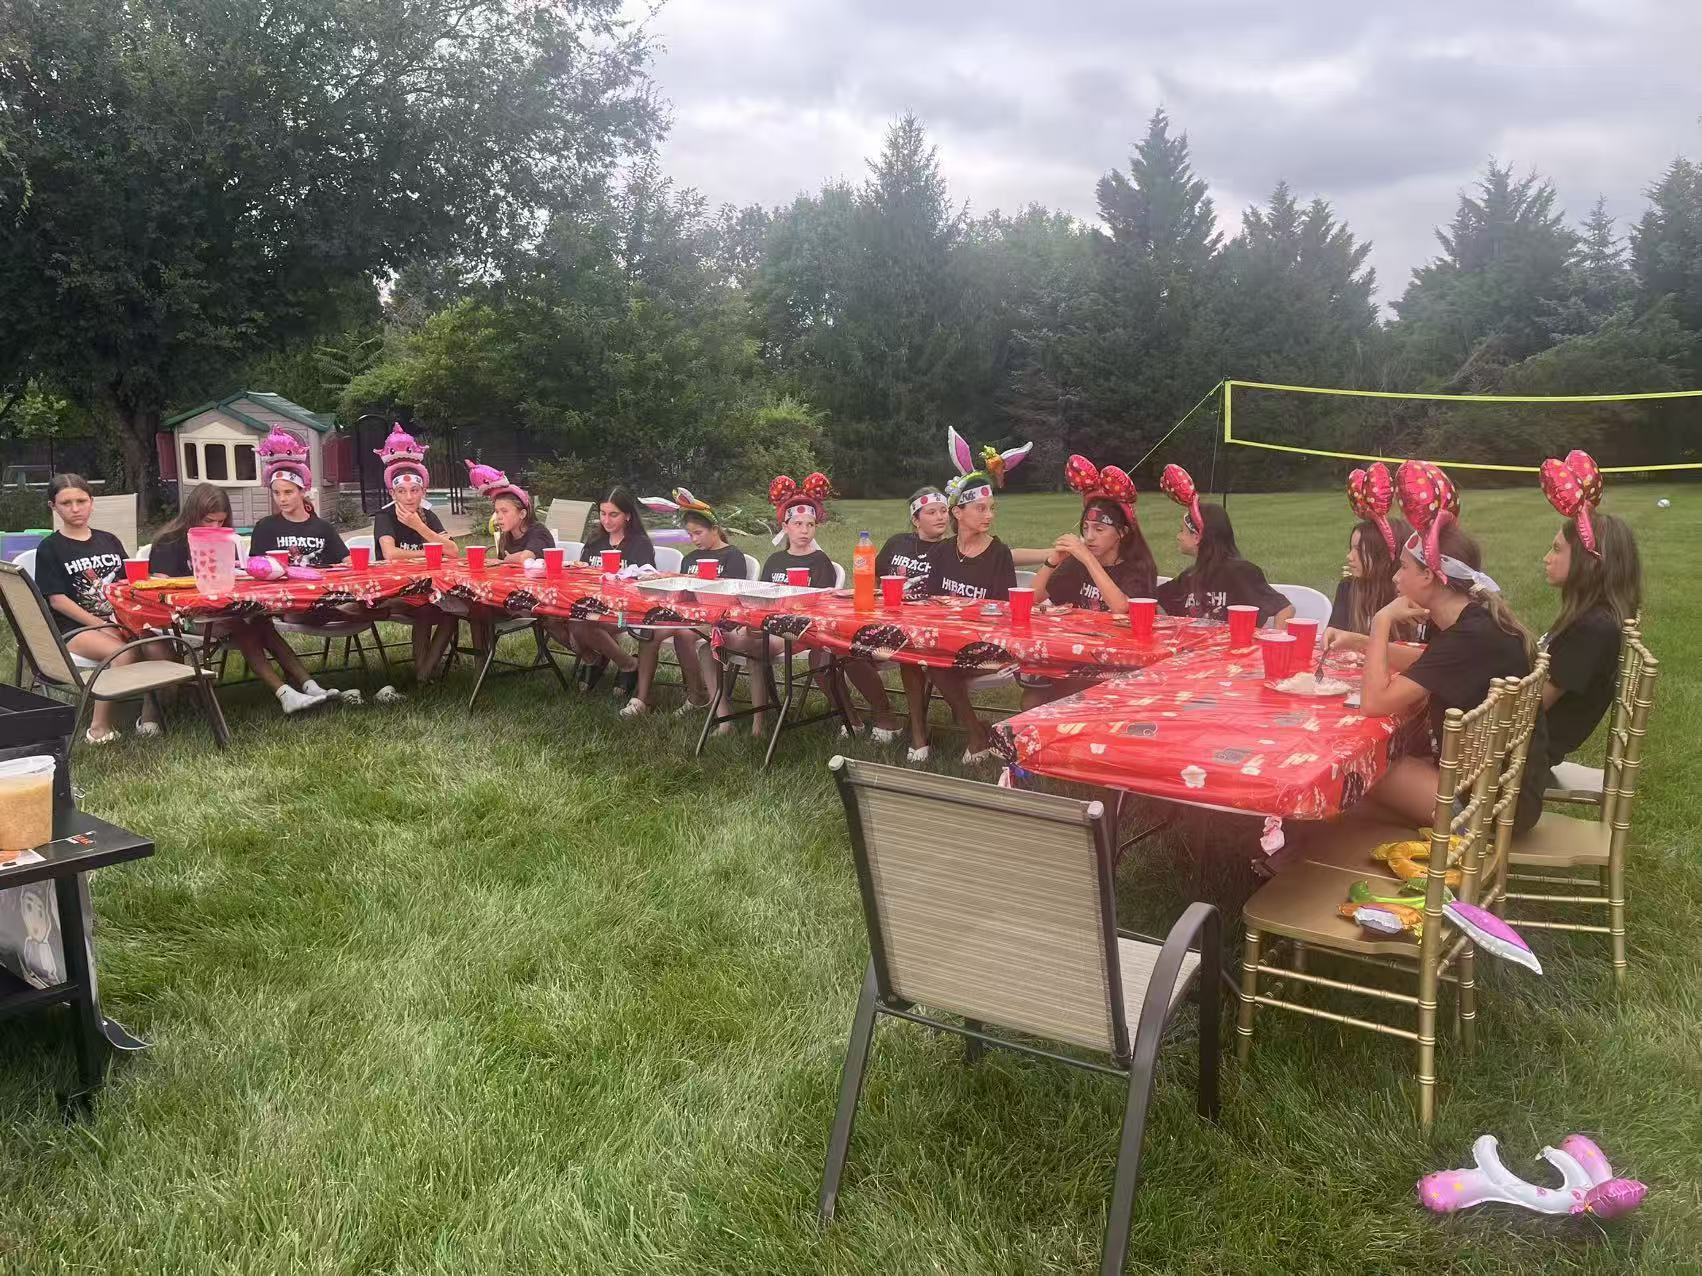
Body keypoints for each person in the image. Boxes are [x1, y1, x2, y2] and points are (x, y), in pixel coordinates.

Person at [1357, 462, 1547, 833]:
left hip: (1488, 805)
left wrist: (1380, 622)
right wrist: (1359, 644)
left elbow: (1373, 703)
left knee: (1365, 770)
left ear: (1429, 575)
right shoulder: (1474, 620)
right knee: (1371, 787)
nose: (1395, 578)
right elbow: (1426, 662)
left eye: (1403, 569)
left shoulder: (1468, 638)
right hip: (1509, 787)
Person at [152, 480, 349, 714]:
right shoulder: (170, 542)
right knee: (242, 625)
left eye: (221, 521)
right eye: (209, 521)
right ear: (193, 515)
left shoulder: (224, 540)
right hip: (186, 616)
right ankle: (284, 693)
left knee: (260, 622)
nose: (216, 526)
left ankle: (310, 686)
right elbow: (160, 590)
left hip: (223, 608)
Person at [907, 437, 1024, 764]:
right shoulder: (943, 551)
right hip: (945, 636)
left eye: (991, 509)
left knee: (935, 661)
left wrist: (966, 613)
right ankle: (919, 730)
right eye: (980, 509)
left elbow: (1006, 609)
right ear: (958, 512)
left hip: (985, 640)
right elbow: (930, 598)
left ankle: (974, 731)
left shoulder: (998, 554)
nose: (989, 516)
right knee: (910, 651)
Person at [30, 474, 166, 743]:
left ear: (92, 502)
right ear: (53, 506)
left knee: (159, 646)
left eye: (81, 500)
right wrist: (100, 623)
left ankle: (149, 714)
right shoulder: (50, 548)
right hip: (75, 628)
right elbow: (57, 600)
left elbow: (125, 582)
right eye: (66, 502)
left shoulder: (109, 540)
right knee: (122, 652)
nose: (75, 508)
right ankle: (99, 728)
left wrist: (149, 581)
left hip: (118, 618)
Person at [1020, 457, 1159, 708]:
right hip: (1075, 654)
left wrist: (1086, 558)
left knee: (1061, 696)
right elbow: (1031, 599)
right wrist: (1053, 560)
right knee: (1031, 700)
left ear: (1122, 533)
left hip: (1119, 663)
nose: (1089, 536)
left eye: (1099, 529)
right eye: (1085, 528)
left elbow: (1121, 608)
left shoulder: (1138, 567)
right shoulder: (1077, 564)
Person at [1537, 450, 1642, 782]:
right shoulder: (1591, 620)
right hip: (1525, 748)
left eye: (1556, 549)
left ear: (1589, 561)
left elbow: (1531, 705)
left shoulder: (1593, 629)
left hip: (1520, 758)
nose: (1546, 558)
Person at [627, 488, 748, 718]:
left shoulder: (732, 556)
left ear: (715, 529)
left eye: (698, 533)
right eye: (690, 534)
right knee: (650, 630)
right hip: (686, 614)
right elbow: (680, 593)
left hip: (719, 618)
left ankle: (697, 695)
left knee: (684, 633)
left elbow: (736, 595)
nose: (693, 539)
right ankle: (641, 698)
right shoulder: (690, 558)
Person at [1154, 463, 1293, 625]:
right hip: (1194, 649)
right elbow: (1151, 600)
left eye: (1182, 530)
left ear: (1197, 536)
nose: (1178, 537)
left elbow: (1285, 609)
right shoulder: (1189, 577)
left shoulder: (1241, 573)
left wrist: (1275, 642)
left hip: (1237, 649)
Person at [371, 425, 458, 682]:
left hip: (426, 588)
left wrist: (420, 527)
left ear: (423, 491)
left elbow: (452, 551)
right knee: (423, 608)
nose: (409, 497)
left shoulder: (428, 516)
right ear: (392, 493)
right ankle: (424, 674)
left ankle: (424, 673)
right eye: (402, 491)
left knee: (451, 612)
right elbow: (390, 554)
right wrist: (428, 553)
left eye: (414, 491)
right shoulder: (385, 516)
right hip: (393, 591)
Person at [571, 486, 656, 699]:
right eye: (602, 513)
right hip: (590, 603)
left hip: (625, 611)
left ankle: (628, 665)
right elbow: (582, 574)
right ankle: (595, 659)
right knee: (553, 619)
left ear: (628, 515)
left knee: (581, 623)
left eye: (613, 514)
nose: (606, 520)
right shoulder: (594, 541)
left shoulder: (640, 545)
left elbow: (646, 582)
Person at [1322, 463, 1419, 647]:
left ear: (1384, 555)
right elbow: (1336, 637)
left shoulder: (1408, 596)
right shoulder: (1348, 588)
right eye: (1351, 548)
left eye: (1359, 550)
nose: (1349, 557)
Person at [248, 428, 348, 566]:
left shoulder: (323, 528)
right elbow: (254, 565)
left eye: (288, 492)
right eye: (276, 493)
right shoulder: (265, 527)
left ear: (303, 491)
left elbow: (348, 561)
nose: (282, 499)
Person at [877, 485, 952, 595]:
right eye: (932, 512)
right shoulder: (896, 542)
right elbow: (874, 577)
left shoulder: (952, 550)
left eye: (944, 511)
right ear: (916, 520)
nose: (940, 517)